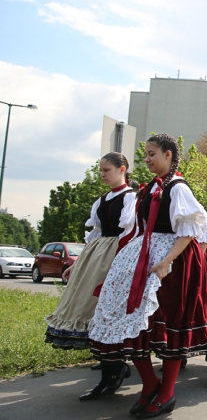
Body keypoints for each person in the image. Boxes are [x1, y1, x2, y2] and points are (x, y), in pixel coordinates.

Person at [89, 134, 207, 418]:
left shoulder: (178, 188)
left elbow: (188, 231)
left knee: (168, 326)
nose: (146, 159)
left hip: (174, 261)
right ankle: (150, 384)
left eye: (152, 153)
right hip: (145, 254)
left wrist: (166, 261)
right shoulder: (147, 190)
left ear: (168, 155)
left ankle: (167, 392)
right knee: (132, 324)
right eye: (145, 154)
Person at [45, 152, 137, 401]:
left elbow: (132, 234)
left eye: (107, 170)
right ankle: (111, 371)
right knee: (87, 309)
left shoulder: (131, 198)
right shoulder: (102, 200)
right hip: (96, 257)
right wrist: (76, 266)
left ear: (122, 169)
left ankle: (115, 369)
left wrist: (123, 265)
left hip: (117, 256)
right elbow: (94, 235)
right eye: (101, 171)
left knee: (105, 313)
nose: (103, 174)